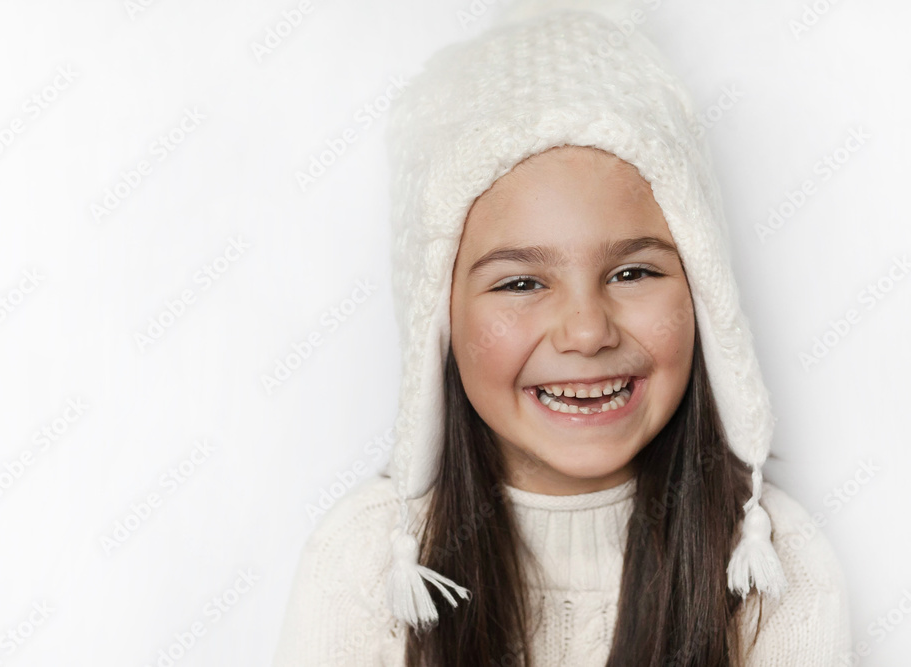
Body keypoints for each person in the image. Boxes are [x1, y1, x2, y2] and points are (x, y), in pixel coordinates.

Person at [272, 1, 851, 664]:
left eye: (633, 271)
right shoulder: (361, 564)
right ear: (439, 319)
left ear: (704, 294)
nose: (585, 330)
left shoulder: (776, 565)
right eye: (521, 283)